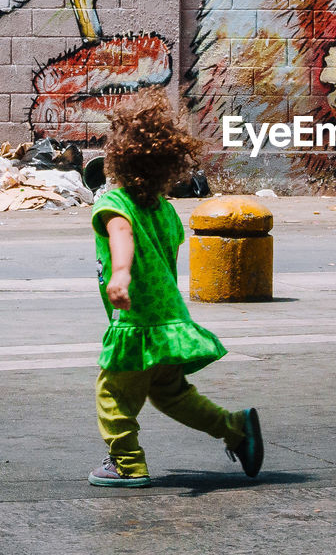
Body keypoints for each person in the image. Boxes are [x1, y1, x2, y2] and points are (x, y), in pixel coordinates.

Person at [87, 88, 262, 487]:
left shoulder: (114, 203)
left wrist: (121, 275)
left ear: (116, 156)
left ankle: (127, 463)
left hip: (137, 324)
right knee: (171, 393)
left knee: (112, 394)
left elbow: (121, 235)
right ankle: (235, 429)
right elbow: (168, 263)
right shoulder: (167, 212)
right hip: (168, 321)